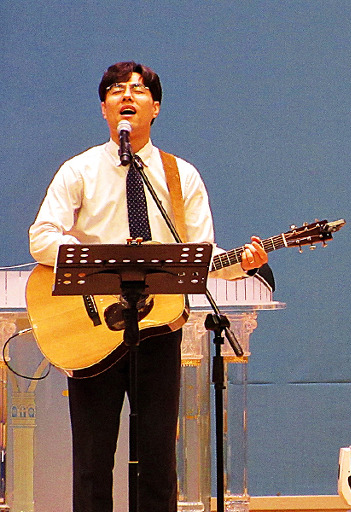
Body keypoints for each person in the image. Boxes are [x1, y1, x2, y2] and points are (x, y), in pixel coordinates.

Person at [28, 61, 268, 512]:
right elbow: (41, 237)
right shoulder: (79, 170)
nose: (127, 95)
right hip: (92, 330)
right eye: (116, 89)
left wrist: (241, 264)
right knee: (92, 463)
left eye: (138, 90)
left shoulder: (181, 175)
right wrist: (95, 262)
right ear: (104, 108)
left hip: (159, 331)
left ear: (155, 108)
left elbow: (200, 253)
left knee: (158, 462)